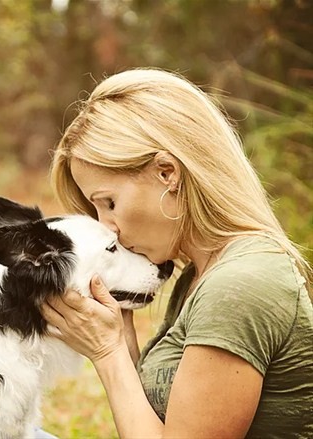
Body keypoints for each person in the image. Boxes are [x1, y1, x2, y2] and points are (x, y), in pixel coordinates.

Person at [41, 68, 313, 438]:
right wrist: (121, 339)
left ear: (168, 173)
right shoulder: (201, 274)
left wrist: (108, 353)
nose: (108, 227)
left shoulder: (240, 285)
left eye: (108, 202)